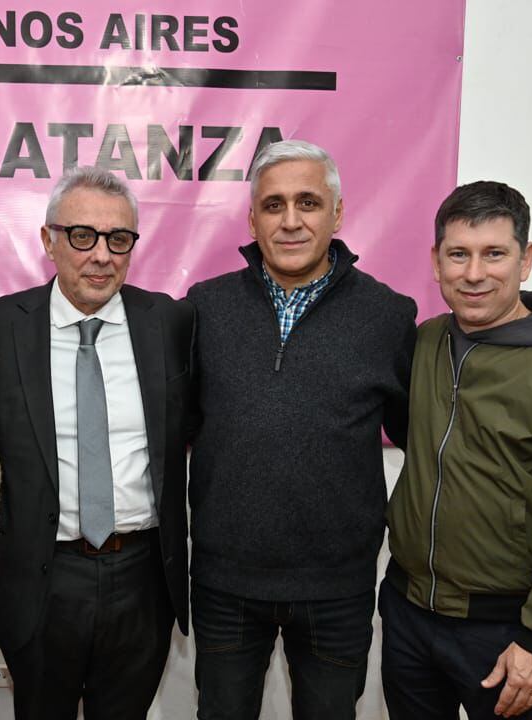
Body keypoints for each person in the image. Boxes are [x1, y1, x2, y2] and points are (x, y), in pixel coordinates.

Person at [185, 139, 417, 719]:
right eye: (274, 205)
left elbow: (419, 435)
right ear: (253, 217)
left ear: (337, 213)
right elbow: (180, 426)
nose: (291, 221)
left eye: (308, 203)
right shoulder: (204, 309)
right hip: (226, 583)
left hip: (337, 588)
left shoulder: (388, 316)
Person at [381, 180, 532, 719]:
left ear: (526, 259)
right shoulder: (426, 342)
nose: (473, 274)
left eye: (494, 254)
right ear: (436, 261)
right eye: (458, 254)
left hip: (505, 630)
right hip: (409, 613)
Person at [0, 166, 194, 720]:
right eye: (82, 236)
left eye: (118, 239)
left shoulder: (170, 323)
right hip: (43, 580)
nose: (101, 255)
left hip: (142, 578)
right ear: (48, 240)